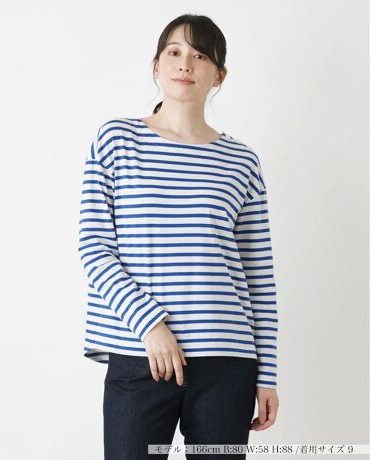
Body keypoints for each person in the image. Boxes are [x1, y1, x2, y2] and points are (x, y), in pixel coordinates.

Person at [78, 13, 279, 459]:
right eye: (174, 52)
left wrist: (267, 375)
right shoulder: (116, 140)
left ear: (219, 75)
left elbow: (258, 278)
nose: (185, 62)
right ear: (156, 66)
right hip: (140, 351)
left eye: (200, 55)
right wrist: (150, 325)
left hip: (226, 360)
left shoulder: (242, 161)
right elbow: (95, 247)